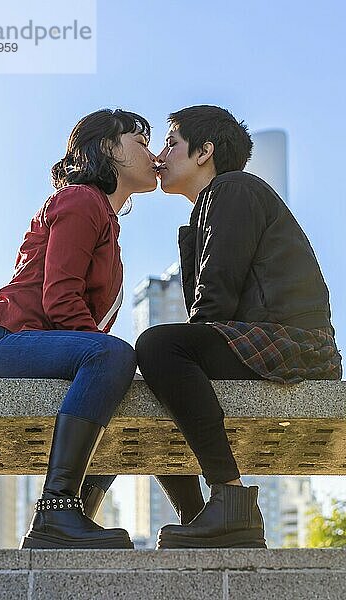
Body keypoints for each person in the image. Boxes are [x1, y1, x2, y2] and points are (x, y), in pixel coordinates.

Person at [134, 105, 342, 549]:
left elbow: (216, 301)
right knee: (152, 372)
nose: (160, 155)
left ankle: (229, 500)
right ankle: (201, 516)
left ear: (205, 151)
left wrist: (176, 354)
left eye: (171, 144)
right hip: (265, 340)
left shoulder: (233, 189)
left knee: (157, 349)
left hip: (298, 345)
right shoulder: (210, 206)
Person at [0, 108, 161, 550]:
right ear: (108, 148)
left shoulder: (105, 218)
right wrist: (109, 358)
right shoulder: (82, 199)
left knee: (121, 385)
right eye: (141, 142)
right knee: (114, 358)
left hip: (22, 344)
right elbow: (60, 298)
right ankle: (57, 508)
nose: (153, 153)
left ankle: (71, 522)